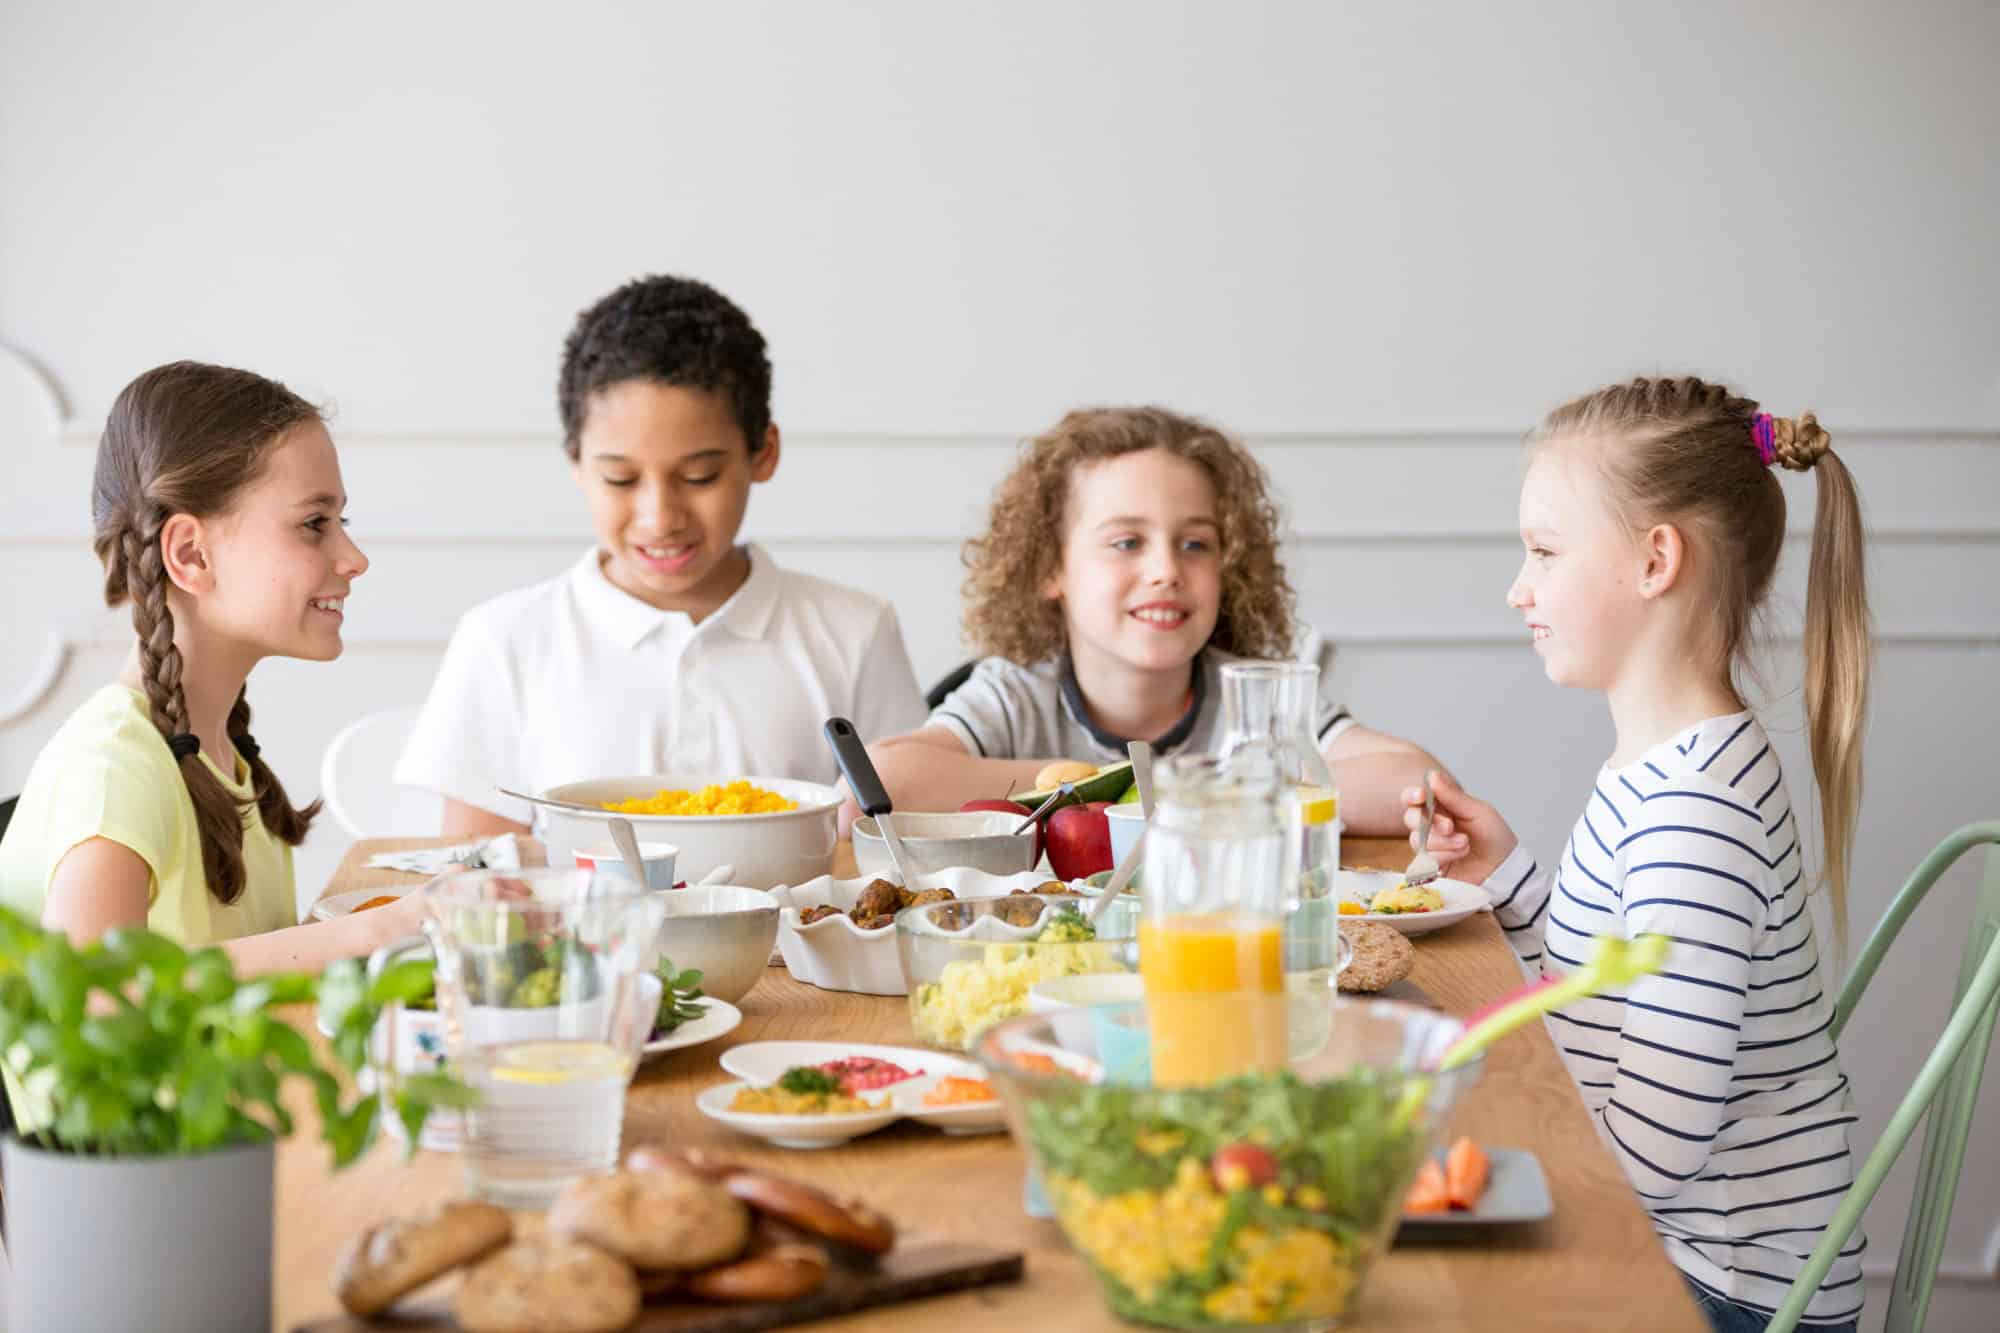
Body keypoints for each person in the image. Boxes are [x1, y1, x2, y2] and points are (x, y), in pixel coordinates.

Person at [1405, 377, 1866, 1332]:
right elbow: (1611, 995)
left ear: (1656, 559)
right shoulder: (1668, 764)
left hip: (1715, 1288)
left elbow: (1650, 1156)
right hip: (1678, 1245)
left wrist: (1460, 1114)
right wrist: (1509, 879)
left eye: (1543, 551)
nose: (1517, 587)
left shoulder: (1695, 810)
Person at [395, 275, 927, 835]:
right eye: (620, 478)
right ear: (576, 460)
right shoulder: (505, 639)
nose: (660, 517)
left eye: (700, 476)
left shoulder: (854, 631)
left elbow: (894, 843)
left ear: (763, 453)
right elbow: (478, 878)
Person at [0, 360, 427, 970]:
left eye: (342, 522)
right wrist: (367, 934)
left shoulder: (220, 751)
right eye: (314, 524)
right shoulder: (114, 770)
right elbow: (100, 1006)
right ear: (191, 554)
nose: (353, 558)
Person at [866, 405, 1440, 833]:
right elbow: (882, 782)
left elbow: (1415, 785)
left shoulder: (1252, 699)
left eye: (1195, 544)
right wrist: (1107, 785)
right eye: (1126, 542)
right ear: (1050, 567)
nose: (1166, 569)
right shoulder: (1014, 695)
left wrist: (1175, 789)